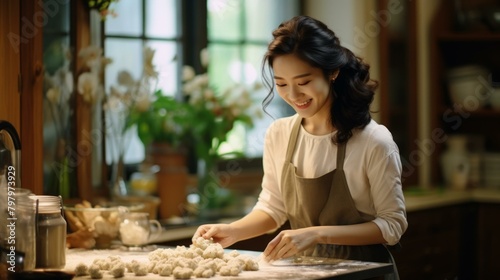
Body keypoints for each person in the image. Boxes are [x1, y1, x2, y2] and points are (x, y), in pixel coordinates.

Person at [193, 15, 407, 279]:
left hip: (366, 273)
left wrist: (316, 233)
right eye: (281, 84)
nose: (293, 96)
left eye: (304, 82)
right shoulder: (279, 134)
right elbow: (273, 208)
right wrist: (233, 231)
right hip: (305, 271)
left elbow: (392, 225)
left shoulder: (373, 141)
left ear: (332, 72)